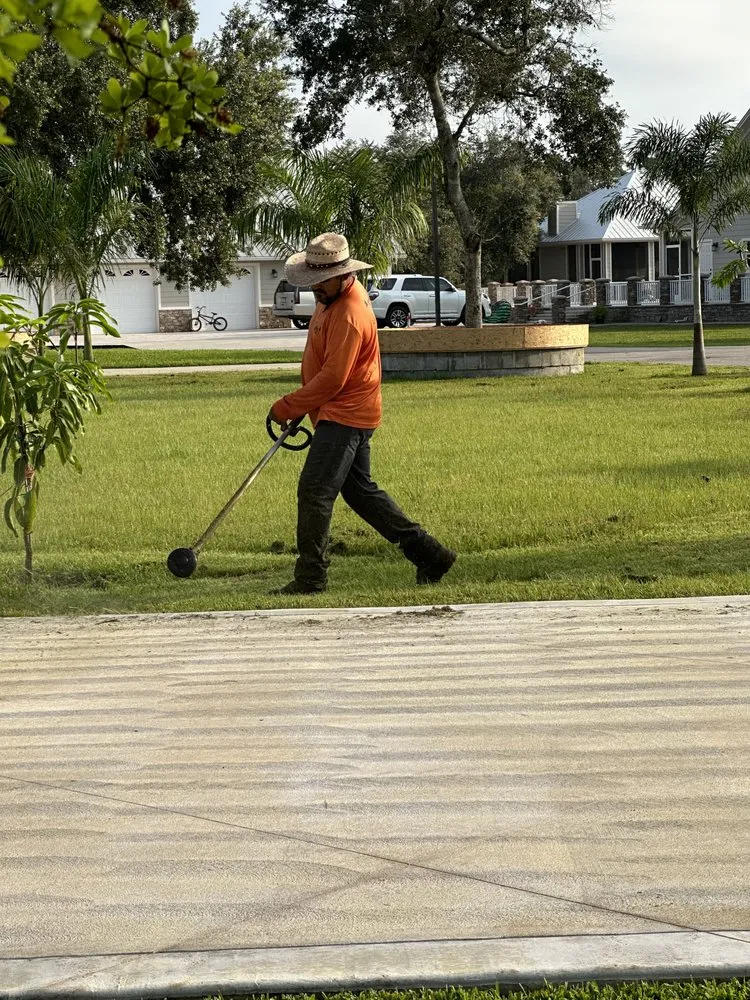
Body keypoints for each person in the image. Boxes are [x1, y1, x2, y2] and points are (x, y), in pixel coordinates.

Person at [268, 232, 456, 595]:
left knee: (314, 492)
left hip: (346, 415)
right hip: (335, 411)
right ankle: (431, 555)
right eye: (313, 280)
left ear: (344, 274)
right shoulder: (329, 298)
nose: (316, 287)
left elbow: (333, 378)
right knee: (361, 493)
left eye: (323, 280)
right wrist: (306, 404)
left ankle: (310, 578)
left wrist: (288, 405)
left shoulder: (350, 312)